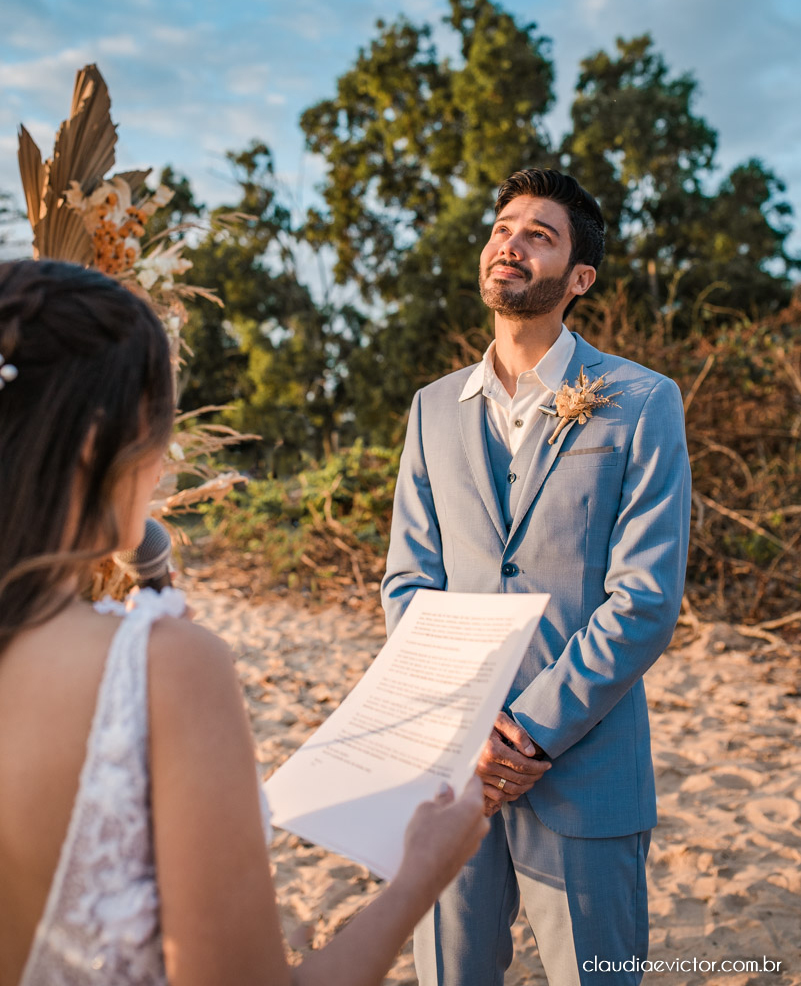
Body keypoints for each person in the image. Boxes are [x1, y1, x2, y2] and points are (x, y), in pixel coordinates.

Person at [0, 258, 488, 986]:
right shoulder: (169, 669)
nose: (163, 466)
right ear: (95, 443)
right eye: (157, 428)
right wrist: (420, 875)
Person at [382, 168, 691, 986]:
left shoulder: (641, 401)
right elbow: (407, 583)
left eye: (537, 234)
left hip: (583, 768)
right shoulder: (430, 408)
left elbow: (646, 599)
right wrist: (470, 729)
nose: (508, 244)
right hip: (457, 770)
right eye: (500, 228)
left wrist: (529, 732)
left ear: (578, 278)